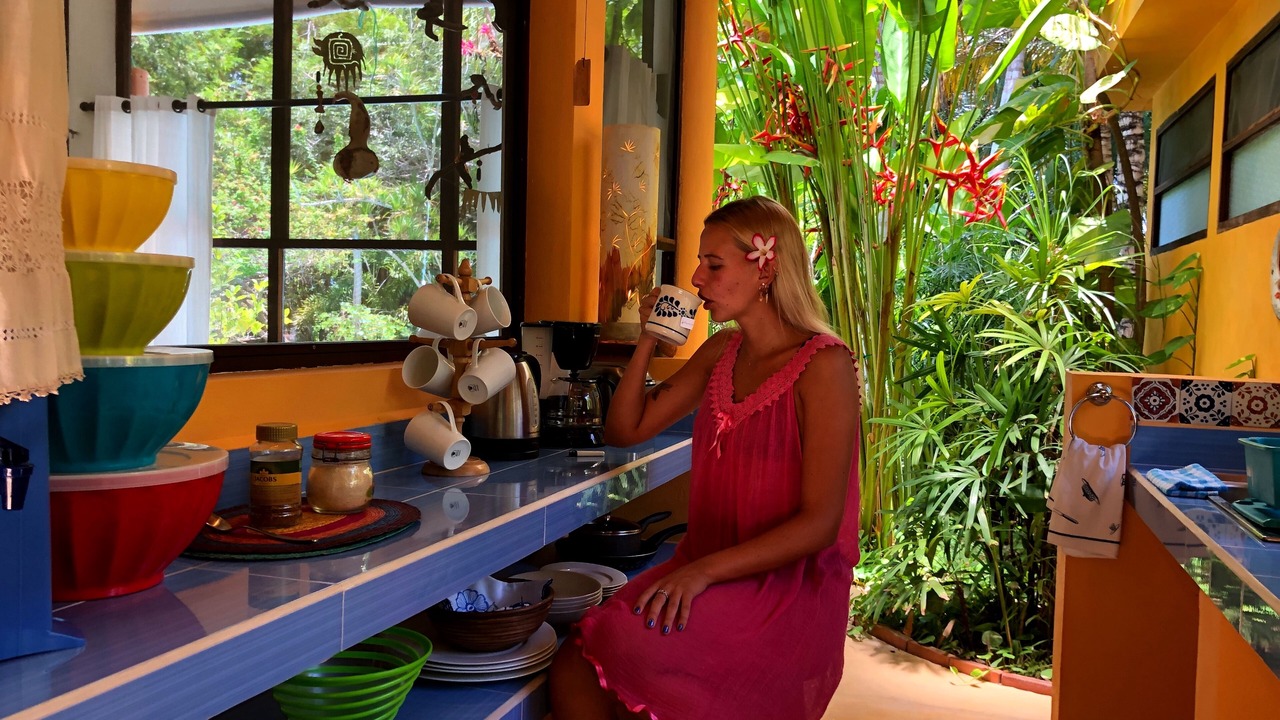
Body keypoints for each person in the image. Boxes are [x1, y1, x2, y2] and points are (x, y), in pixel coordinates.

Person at [549, 196, 862, 719]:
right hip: (706, 568)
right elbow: (625, 430)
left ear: (766, 269)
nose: (696, 279)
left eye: (713, 265)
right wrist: (648, 340)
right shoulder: (721, 352)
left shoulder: (824, 366)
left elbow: (820, 525)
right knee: (575, 662)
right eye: (700, 263)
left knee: (634, 653)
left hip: (785, 589)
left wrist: (701, 574)